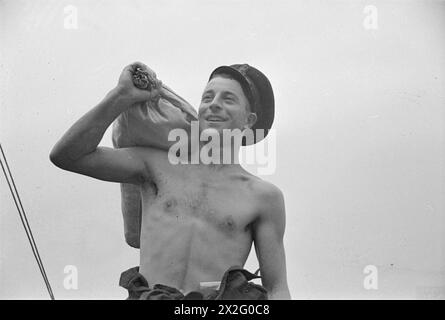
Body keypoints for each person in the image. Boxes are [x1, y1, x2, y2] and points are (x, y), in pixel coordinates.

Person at [50, 62, 291, 300]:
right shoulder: (155, 165)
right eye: (207, 98)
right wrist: (120, 97)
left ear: (249, 121)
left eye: (228, 99)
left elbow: (276, 287)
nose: (213, 105)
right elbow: (68, 156)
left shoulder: (263, 197)